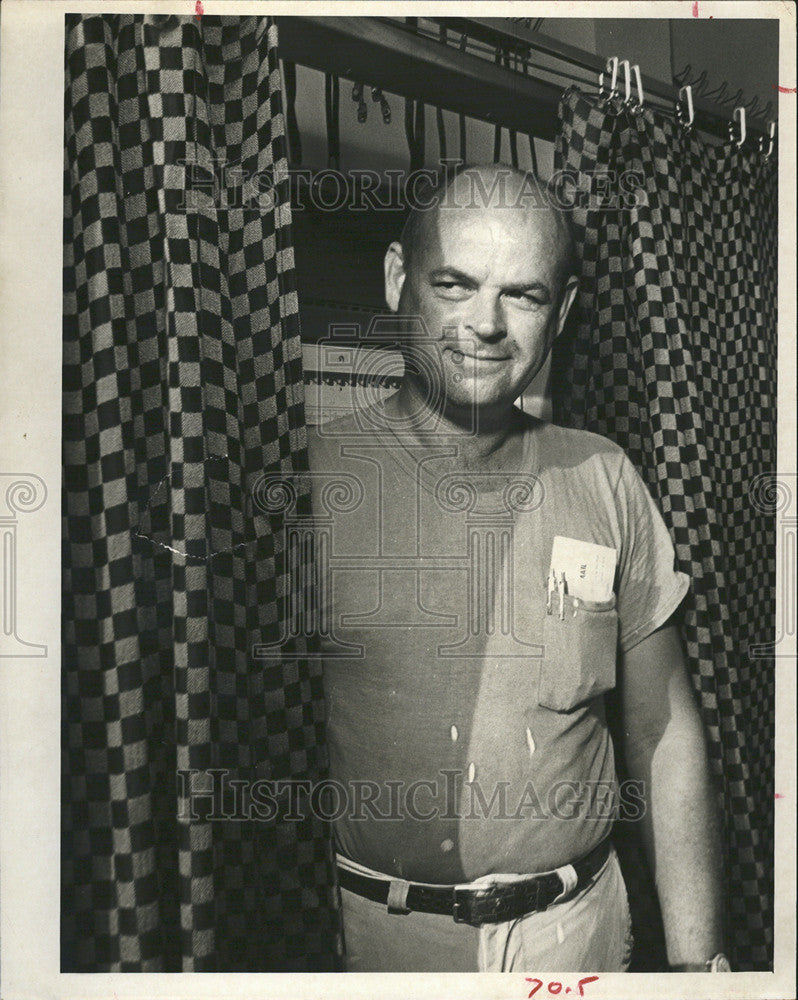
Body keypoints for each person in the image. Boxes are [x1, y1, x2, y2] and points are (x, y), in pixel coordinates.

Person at [306, 164, 727, 973]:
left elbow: (661, 733)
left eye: (524, 295)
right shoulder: (310, 481)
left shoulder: (604, 477)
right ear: (399, 280)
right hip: (375, 943)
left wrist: (698, 966)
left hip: (577, 932)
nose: (487, 324)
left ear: (561, 311)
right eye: (457, 285)